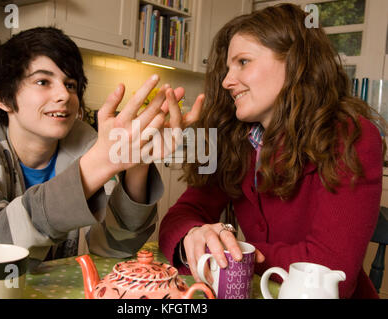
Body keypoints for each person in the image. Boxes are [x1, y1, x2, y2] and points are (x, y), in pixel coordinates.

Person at [159, 4, 385, 299]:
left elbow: (330, 271)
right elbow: (180, 216)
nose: (227, 81)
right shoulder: (231, 140)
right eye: (228, 67)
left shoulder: (353, 137)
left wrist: (230, 251)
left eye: (243, 61)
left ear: (295, 62)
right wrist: (194, 236)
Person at [0, 27, 203, 269]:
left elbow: (114, 247)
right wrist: (99, 164)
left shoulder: (84, 141)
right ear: (2, 98)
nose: (65, 95)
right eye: (43, 82)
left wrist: (137, 163)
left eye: (70, 85)